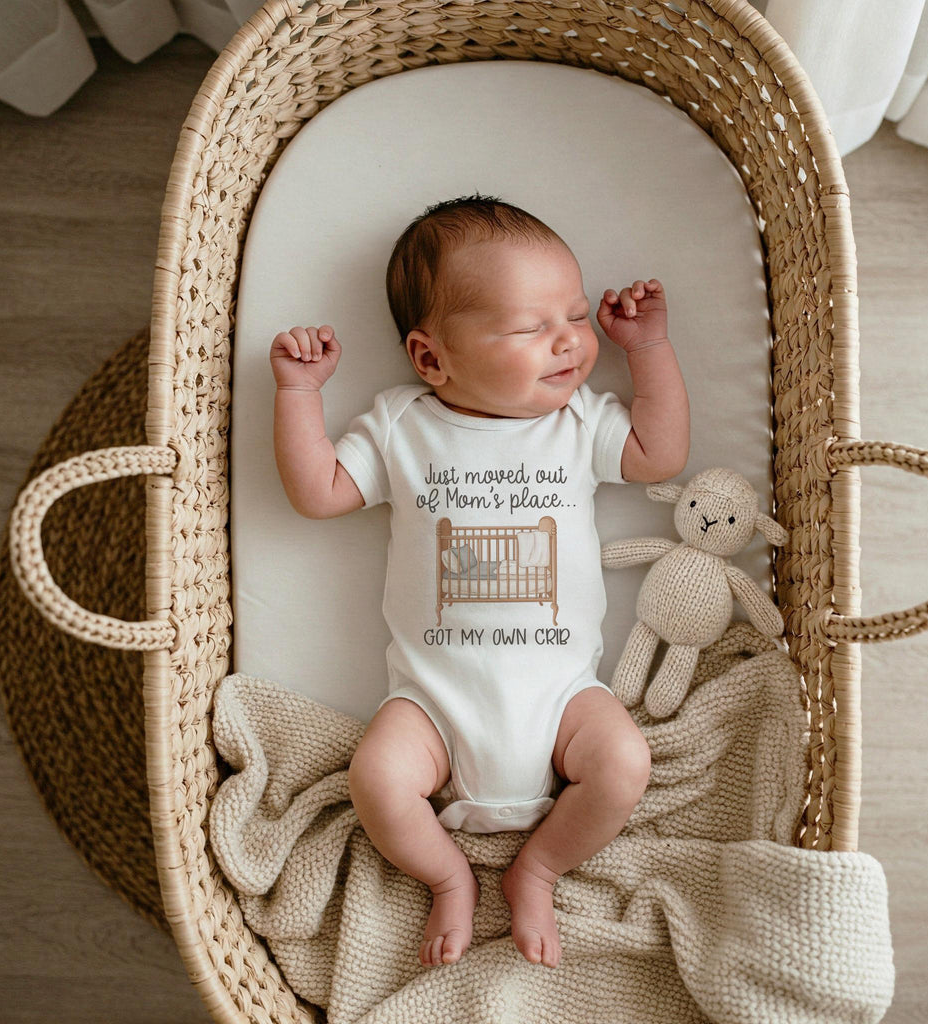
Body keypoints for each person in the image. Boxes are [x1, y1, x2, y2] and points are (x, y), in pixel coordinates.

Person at [270, 196, 690, 970]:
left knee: (624, 763)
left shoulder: (576, 422)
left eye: (572, 314)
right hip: (433, 701)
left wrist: (649, 348)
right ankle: (448, 877)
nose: (568, 339)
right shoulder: (403, 425)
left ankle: (539, 867)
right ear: (432, 359)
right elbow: (320, 490)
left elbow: (657, 455)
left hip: (563, 695)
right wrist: (300, 397)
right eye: (531, 328)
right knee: (378, 779)